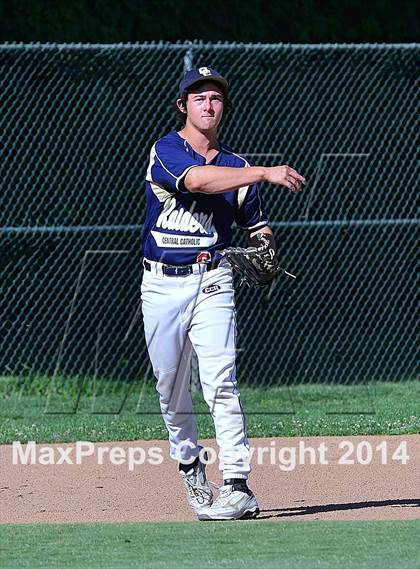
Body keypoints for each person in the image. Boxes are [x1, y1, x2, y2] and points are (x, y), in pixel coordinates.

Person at [141, 66, 305, 521]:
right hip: (160, 283)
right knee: (171, 391)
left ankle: (237, 486)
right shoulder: (166, 150)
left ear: (222, 107)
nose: (207, 104)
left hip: (212, 279)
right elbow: (196, 181)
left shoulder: (239, 166)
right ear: (182, 106)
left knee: (221, 384)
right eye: (198, 97)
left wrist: (266, 244)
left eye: (214, 97)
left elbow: (255, 225)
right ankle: (191, 465)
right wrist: (265, 172)